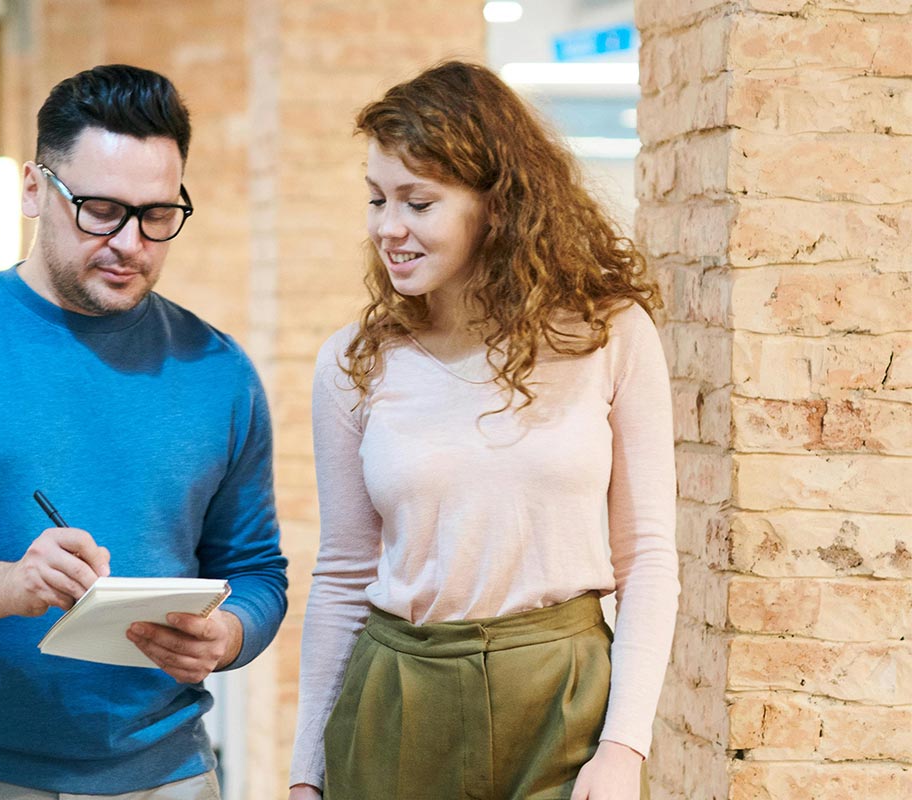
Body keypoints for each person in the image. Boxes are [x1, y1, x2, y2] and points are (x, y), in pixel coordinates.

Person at [0, 64, 287, 799]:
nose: (130, 243)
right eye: (100, 209)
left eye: (158, 214)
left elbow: (258, 572)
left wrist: (229, 637)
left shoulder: (218, 373)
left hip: (168, 773)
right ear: (35, 189)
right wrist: (6, 585)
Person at [288, 61, 678, 800]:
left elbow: (648, 558)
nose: (387, 228)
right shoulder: (352, 361)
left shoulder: (610, 334)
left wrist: (625, 746)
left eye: (418, 202)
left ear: (496, 205)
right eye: (376, 200)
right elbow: (342, 573)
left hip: (563, 695)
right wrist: (306, 775)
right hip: (398, 696)